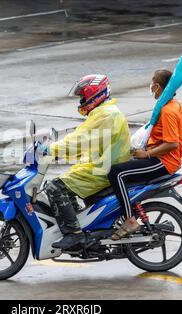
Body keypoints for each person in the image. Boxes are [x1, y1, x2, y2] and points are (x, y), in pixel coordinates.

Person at [38, 74, 131, 250]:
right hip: (100, 165)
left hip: (103, 170)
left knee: (55, 187)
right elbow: (83, 141)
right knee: (65, 181)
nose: (81, 101)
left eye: (82, 97)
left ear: (93, 94)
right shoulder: (104, 112)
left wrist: (51, 150)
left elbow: (79, 140)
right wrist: (58, 151)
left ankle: (74, 234)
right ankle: (81, 226)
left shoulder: (106, 115)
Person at [107, 69, 182, 240]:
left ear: (159, 87)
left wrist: (147, 153)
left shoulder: (167, 111)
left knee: (116, 172)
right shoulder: (179, 107)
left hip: (163, 162)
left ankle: (130, 220)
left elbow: (172, 143)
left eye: (153, 82)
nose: (151, 86)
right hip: (167, 159)